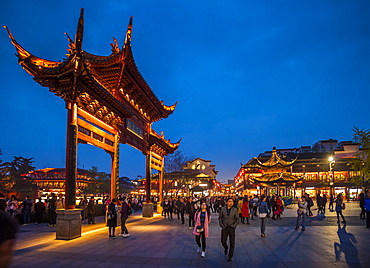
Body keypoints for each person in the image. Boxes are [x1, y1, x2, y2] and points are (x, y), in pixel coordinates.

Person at [218, 197, 240, 262]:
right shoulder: (223, 209)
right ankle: (226, 247)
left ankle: (230, 256)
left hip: (231, 227)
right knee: (223, 241)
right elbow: (220, 217)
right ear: (227, 202)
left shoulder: (235, 210)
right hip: (225, 227)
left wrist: (234, 226)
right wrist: (221, 224)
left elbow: (237, 219)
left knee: (232, 242)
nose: (231, 203)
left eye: (232, 201)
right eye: (230, 201)